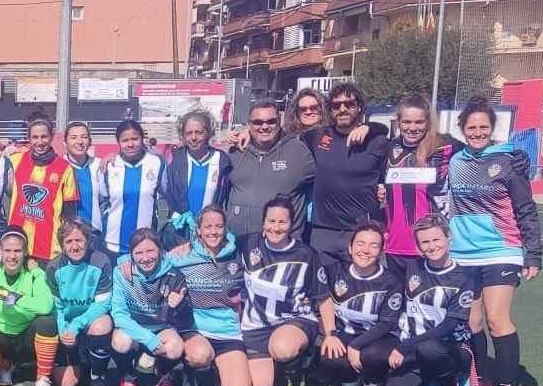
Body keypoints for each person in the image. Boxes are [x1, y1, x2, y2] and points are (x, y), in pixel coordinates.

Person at [446, 98, 541, 386]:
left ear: (492, 129)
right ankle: (481, 379)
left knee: (497, 319)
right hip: (462, 253)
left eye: (483, 127)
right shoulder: (453, 161)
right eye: (471, 127)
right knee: (471, 323)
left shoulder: (509, 160)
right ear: (462, 129)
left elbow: (525, 208)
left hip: (500, 250)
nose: (477, 133)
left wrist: (533, 253)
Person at [384, 214, 478, 386]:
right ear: (418, 246)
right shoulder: (412, 267)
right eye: (425, 242)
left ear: (448, 238)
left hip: (450, 349)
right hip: (414, 349)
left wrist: (405, 346)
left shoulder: (464, 277)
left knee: (430, 349)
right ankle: (429, 383)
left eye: (436, 239)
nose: (432, 246)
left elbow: (449, 326)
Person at [237, 196, 325, 386]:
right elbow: (216, 240)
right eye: (271, 221)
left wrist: (330, 334)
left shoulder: (305, 254)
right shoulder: (248, 243)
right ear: (263, 222)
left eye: (282, 222)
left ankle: (296, 373)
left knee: (283, 348)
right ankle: (279, 368)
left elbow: (323, 296)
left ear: (292, 224)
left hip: (293, 320)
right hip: (257, 326)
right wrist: (186, 246)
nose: (276, 228)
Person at [317, 221, 405, 386]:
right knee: (329, 354)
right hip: (346, 333)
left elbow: (387, 324)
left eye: (373, 246)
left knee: (372, 354)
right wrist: (330, 335)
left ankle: (373, 381)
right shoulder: (335, 272)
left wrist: (355, 345)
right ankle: (349, 381)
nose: (365, 250)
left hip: (379, 339)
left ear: (381, 251)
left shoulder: (391, 281)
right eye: (360, 243)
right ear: (350, 247)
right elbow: (321, 299)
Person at [169, 207, 251, 386]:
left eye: (219, 226)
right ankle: (189, 370)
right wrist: (125, 261)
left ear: (225, 228)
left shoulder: (238, 254)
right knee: (200, 355)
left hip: (227, 331)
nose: (213, 232)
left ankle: (215, 370)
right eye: (208, 227)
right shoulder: (183, 254)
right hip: (194, 329)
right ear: (198, 230)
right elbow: (150, 260)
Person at [304, 83, 391, 262]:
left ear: (359, 107)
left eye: (349, 104)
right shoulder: (318, 136)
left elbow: (387, 177)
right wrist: (249, 132)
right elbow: (282, 138)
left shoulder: (378, 141)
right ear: (330, 110)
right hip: (322, 232)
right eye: (336, 105)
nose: (342, 109)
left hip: (360, 232)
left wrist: (370, 127)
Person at [0, 229, 59, 386]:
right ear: (0, 250)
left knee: (47, 321)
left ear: (25, 252)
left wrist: (14, 297)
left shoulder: (35, 273)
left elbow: (46, 305)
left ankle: (43, 377)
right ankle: (7, 365)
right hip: (2, 337)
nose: (12, 256)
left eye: (17, 250)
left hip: (27, 339)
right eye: (8, 250)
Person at [108, 228, 187, 386]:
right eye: (139, 253)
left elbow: (184, 311)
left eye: (150, 251)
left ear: (159, 250)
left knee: (175, 348)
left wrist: (180, 303)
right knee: (121, 342)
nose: (145, 258)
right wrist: (150, 340)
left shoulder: (173, 273)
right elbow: (120, 316)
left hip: (161, 327)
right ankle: (127, 374)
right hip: (133, 326)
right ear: (131, 255)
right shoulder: (122, 272)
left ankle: (163, 371)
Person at [226, 100, 318, 238]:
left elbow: (329, 177)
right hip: (237, 241)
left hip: (280, 243)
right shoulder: (236, 151)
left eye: (271, 121)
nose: (265, 126)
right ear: (249, 125)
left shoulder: (299, 151)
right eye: (258, 122)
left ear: (279, 122)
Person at [48, 219, 117, 386]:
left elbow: (102, 303)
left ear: (87, 240)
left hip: (88, 321)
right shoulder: (54, 267)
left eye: (79, 240)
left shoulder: (101, 261)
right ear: (62, 245)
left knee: (103, 325)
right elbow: (56, 307)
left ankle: (98, 376)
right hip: (67, 327)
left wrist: (76, 325)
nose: (75, 246)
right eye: (69, 241)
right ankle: (83, 360)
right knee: (66, 384)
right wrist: (63, 331)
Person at [385, 95, 451, 261]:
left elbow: (476, 148)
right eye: (406, 122)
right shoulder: (389, 148)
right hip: (393, 248)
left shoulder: (444, 146)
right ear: (398, 122)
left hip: (430, 249)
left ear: (427, 122)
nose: (412, 128)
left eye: (419, 122)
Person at [6, 116, 79, 262]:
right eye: (35, 137)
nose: (39, 142)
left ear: (51, 136)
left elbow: (70, 214)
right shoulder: (15, 160)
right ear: (29, 138)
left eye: (44, 136)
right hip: (17, 246)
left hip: (49, 249)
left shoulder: (65, 168)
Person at [161, 110, 231, 246]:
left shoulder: (222, 160)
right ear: (182, 135)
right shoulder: (173, 158)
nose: (193, 137)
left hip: (210, 234)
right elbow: (163, 187)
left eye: (199, 132)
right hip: (179, 232)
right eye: (188, 133)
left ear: (208, 133)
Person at [98, 120, 163, 255]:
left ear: (142, 139)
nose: (130, 144)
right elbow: (102, 201)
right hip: (113, 244)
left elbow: (168, 197)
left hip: (146, 244)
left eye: (135, 139)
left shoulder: (156, 163)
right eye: (125, 140)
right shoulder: (109, 166)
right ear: (118, 142)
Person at [59, 123, 106, 239]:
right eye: (73, 138)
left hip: (94, 235)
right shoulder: (58, 167)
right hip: (66, 236)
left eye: (84, 137)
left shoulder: (100, 165)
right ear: (65, 143)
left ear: (90, 141)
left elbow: (105, 202)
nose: (79, 142)